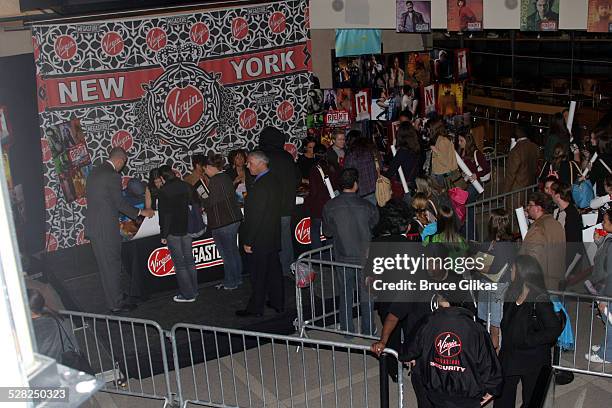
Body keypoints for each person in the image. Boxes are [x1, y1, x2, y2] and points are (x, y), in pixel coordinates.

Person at [381, 289, 502, 408]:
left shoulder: (428, 323)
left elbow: (410, 349)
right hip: (466, 395)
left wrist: (407, 356)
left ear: (444, 301)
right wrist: (493, 388)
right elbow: (488, 363)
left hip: (436, 392)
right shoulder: (476, 329)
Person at [84, 147, 154, 313]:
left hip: (95, 227)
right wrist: (140, 212)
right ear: (120, 160)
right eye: (124, 163)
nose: (123, 167)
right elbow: (119, 203)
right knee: (112, 266)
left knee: (107, 267)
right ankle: (116, 303)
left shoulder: (95, 172)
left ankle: (115, 296)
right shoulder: (113, 175)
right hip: (105, 230)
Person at [495, 255, 563, 408]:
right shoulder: (512, 292)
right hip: (510, 356)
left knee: (531, 400)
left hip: (532, 359)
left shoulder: (539, 299)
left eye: (513, 267)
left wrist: (528, 340)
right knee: (502, 397)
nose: (511, 270)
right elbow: (507, 322)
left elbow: (553, 329)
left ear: (522, 272)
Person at [323, 168, 379, 335]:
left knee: (345, 293)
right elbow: (375, 225)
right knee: (367, 294)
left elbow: (327, 232)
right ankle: (368, 329)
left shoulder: (330, 206)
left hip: (342, 256)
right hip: (365, 256)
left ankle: (347, 329)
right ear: (356, 185)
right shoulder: (368, 206)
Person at [237, 151, 284, 317]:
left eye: (249, 163)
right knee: (274, 271)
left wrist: (249, 241)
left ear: (259, 163)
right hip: (272, 235)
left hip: (260, 239)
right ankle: (278, 303)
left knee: (258, 275)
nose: (247, 166)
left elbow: (256, 216)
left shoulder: (260, 185)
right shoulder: (273, 179)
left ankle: (255, 308)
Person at [258, 126, 300, 277]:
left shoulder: (261, 157)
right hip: (286, 206)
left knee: (267, 241)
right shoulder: (287, 156)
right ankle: (287, 268)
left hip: (268, 208)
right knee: (285, 239)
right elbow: (298, 179)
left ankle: (272, 271)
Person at [202, 153, 244, 291]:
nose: (204, 171)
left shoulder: (215, 180)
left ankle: (231, 282)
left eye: (205, 168)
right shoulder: (225, 176)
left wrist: (201, 197)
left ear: (209, 167)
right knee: (233, 251)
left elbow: (211, 202)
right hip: (232, 219)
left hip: (223, 222)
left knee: (227, 254)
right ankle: (237, 279)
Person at [157, 165, 198, 302]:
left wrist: (163, 234)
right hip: (187, 228)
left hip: (173, 231)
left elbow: (165, 215)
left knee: (180, 264)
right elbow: (196, 203)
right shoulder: (186, 185)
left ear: (162, 178)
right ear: (173, 173)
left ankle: (188, 294)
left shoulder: (163, 191)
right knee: (189, 260)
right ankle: (194, 291)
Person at [477, 209, 517, 352]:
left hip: (497, 287)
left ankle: (495, 353)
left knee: (495, 323)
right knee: (489, 321)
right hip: (491, 285)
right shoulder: (497, 242)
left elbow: (484, 267)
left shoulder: (502, 245)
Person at [520, 191, 566, 291]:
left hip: (541, 283)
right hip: (556, 279)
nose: (527, 208)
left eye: (530, 205)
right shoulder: (556, 224)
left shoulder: (538, 227)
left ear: (538, 208)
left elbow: (533, 257)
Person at [585, 208, 612, 363]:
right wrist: (598, 242)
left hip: (607, 289)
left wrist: (603, 298)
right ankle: (605, 347)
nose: (602, 223)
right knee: (608, 321)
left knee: (609, 322)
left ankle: (607, 355)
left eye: (605, 220)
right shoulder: (608, 238)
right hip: (604, 286)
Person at [28, 288, 80, 362]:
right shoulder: (60, 320)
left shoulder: (28, 329)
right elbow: (73, 345)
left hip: (46, 369)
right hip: (65, 366)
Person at [305, 144, 338, 251]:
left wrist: (307, 201)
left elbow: (314, 191)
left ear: (315, 154)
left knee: (314, 230)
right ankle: (330, 254)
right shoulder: (332, 166)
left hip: (318, 205)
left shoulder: (314, 169)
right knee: (328, 230)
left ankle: (317, 256)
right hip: (330, 204)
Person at [503, 124, 540, 205]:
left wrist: (504, 192)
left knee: (513, 215)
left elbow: (511, 174)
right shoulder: (535, 147)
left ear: (518, 132)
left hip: (516, 192)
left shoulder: (516, 151)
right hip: (530, 188)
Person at [550, 182, 583, 269]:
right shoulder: (557, 211)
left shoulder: (572, 215)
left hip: (567, 258)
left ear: (557, 196)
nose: (551, 196)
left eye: (552, 193)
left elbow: (573, 244)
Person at [385, 123, 420, 202]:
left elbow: (391, 171)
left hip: (403, 186)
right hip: (413, 183)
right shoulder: (415, 148)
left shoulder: (403, 151)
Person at [345, 130, 379, 205]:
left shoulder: (352, 153)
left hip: (360, 191)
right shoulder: (371, 149)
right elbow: (380, 165)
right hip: (375, 189)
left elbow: (347, 172)